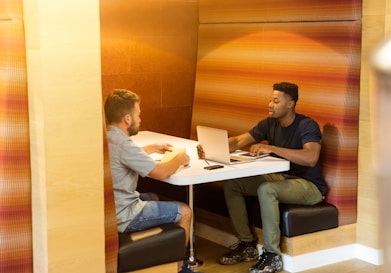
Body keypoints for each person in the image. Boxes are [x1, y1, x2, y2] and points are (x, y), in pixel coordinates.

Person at [197, 82, 327, 273]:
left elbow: (310, 158)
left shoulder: (306, 125)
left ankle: (272, 255)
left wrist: (272, 148)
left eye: (276, 101)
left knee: (266, 190)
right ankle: (247, 245)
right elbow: (240, 140)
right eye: (270, 100)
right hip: (282, 177)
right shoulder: (269, 123)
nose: (270, 105)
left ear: (290, 104)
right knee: (234, 184)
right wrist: (212, 148)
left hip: (309, 186)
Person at [104, 89, 200, 273]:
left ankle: (161, 260)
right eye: (138, 115)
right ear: (127, 119)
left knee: (153, 196)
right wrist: (179, 158)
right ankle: (180, 268)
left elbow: (124, 156)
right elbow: (161, 172)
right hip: (124, 215)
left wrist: (150, 148)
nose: (140, 119)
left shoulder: (108, 136)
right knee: (185, 211)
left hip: (110, 210)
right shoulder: (124, 144)